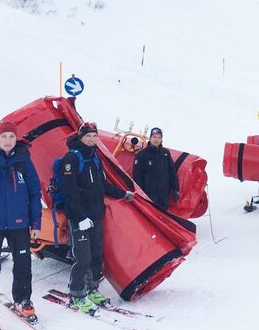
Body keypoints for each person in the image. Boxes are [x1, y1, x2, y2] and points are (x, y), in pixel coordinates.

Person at [61, 122, 133, 313]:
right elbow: (70, 192)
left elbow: (102, 185)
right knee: (82, 257)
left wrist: (123, 194)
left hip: (95, 215)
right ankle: (76, 293)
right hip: (80, 218)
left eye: (94, 136)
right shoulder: (72, 158)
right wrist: (80, 217)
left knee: (96, 255)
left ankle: (92, 289)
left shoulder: (94, 157)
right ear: (81, 137)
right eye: (88, 136)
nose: (91, 140)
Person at [0, 120, 42, 330]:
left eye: (11, 136)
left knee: (23, 264)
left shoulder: (24, 161)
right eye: (3, 136)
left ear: (16, 139)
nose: (8, 140)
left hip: (20, 224)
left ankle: (22, 299)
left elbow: (34, 193)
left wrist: (36, 223)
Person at [133, 127, 180, 209]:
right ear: (150, 138)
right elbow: (137, 176)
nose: (156, 140)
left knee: (163, 214)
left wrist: (175, 189)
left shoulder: (165, 153)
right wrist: (140, 193)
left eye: (159, 137)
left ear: (161, 139)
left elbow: (172, 171)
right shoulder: (141, 155)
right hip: (149, 194)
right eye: (154, 137)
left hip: (164, 193)